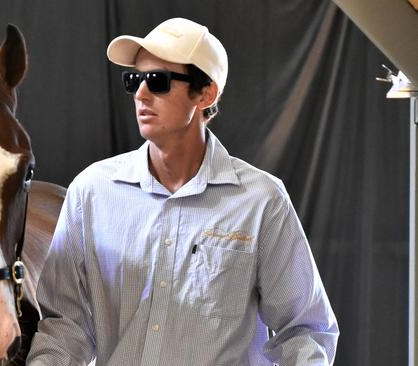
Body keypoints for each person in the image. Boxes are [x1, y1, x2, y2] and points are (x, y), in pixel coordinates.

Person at [27, 17, 339, 365]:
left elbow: (305, 330)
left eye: (158, 81)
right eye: (134, 80)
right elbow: (65, 327)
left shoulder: (261, 202)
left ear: (206, 93)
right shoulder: (91, 193)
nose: (141, 93)